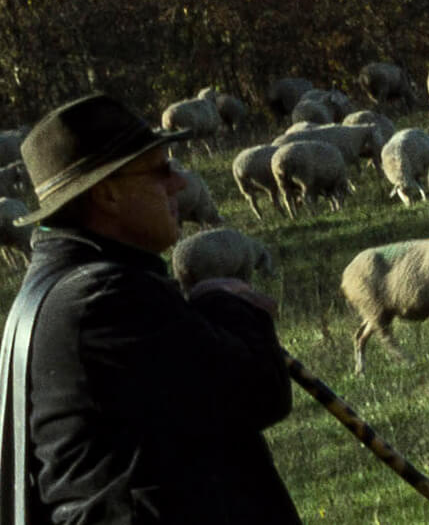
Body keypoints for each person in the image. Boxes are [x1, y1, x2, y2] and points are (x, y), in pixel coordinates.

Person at [0, 93, 301, 524]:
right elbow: (258, 391)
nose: (179, 182)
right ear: (108, 195)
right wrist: (227, 301)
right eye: (160, 171)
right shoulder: (107, 298)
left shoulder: (55, 291)